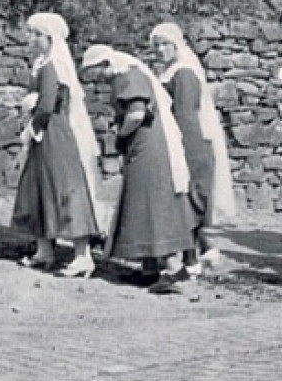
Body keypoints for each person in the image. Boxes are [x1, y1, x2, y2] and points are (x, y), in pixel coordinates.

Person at [80, 44, 196, 294]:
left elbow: (136, 114)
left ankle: (173, 268)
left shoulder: (128, 75)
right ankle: (149, 268)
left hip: (147, 146)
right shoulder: (126, 75)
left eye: (97, 72)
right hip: (143, 145)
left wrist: (119, 136)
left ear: (105, 64)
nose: (98, 79)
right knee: (141, 203)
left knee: (152, 203)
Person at [10, 13, 103, 278]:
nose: (31, 39)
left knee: (65, 186)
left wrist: (30, 130)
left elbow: (48, 105)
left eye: (36, 35)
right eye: (30, 34)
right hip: (45, 134)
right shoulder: (42, 63)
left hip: (54, 133)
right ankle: (44, 250)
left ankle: (83, 256)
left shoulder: (53, 65)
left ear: (49, 38)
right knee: (38, 185)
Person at [149, 22, 238, 275]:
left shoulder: (184, 73)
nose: (160, 50)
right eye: (156, 46)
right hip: (179, 139)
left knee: (188, 197)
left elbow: (186, 115)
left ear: (177, 45)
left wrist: (177, 146)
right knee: (183, 199)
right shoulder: (170, 72)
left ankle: (192, 259)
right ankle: (201, 252)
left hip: (190, 142)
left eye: (165, 44)